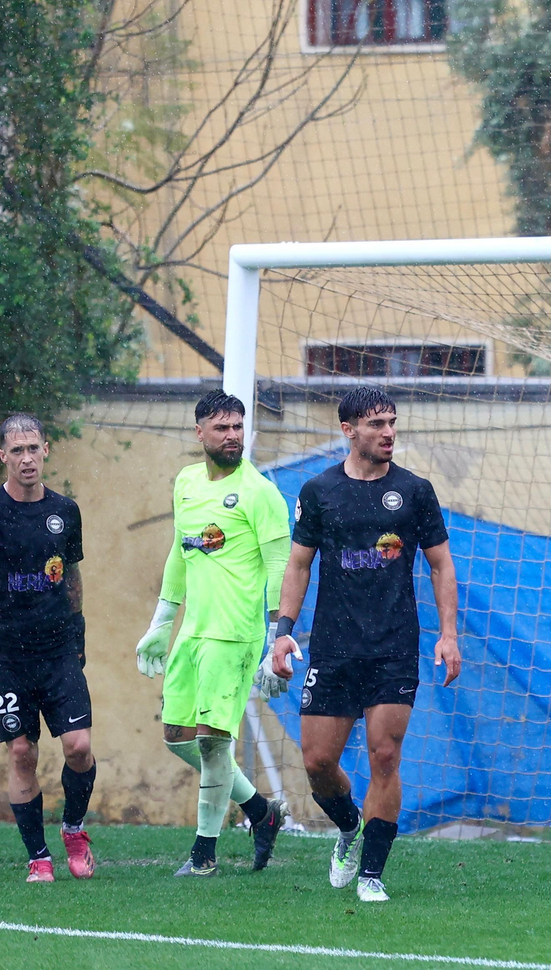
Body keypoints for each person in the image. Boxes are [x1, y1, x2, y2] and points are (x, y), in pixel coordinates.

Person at [270, 385, 462, 903]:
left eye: (392, 423)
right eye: (376, 424)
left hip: (394, 646)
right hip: (332, 647)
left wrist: (448, 635)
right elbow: (299, 563)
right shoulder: (319, 490)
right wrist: (283, 631)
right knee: (317, 763)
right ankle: (349, 826)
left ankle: (373, 873)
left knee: (384, 756)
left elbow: (442, 565)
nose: (388, 433)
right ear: (348, 430)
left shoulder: (415, 491)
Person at [135, 390, 291, 876]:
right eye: (221, 428)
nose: (231, 436)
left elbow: (280, 566)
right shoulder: (185, 483)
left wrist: (275, 637)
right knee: (176, 735)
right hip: (193, 633)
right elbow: (181, 554)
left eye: (238, 427)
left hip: (235, 635)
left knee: (212, 742)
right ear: (199, 432)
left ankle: (203, 855)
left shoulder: (260, 492)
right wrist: (162, 621)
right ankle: (262, 814)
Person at [0, 414, 96, 883]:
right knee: (21, 752)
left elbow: (71, 576)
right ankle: (39, 856)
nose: (27, 458)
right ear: (3, 456)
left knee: (78, 745)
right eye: (17, 451)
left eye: (33, 448)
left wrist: (79, 634)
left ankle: (73, 828)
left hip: (58, 649)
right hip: (7, 653)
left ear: (46, 450)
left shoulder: (65, 511)